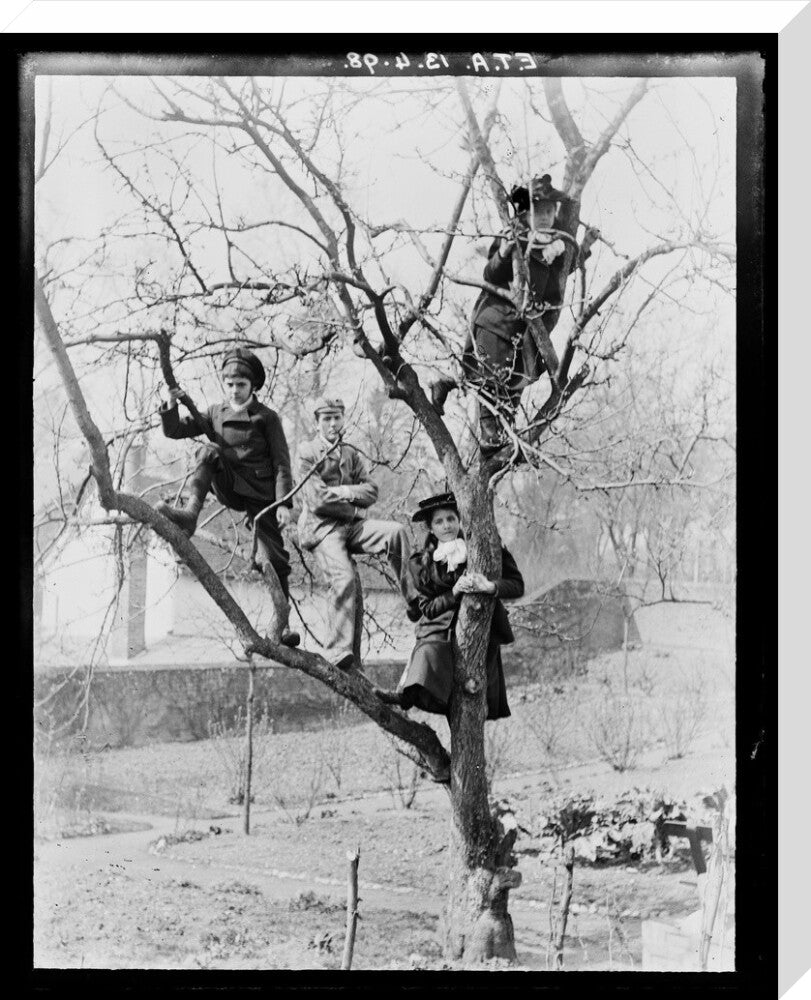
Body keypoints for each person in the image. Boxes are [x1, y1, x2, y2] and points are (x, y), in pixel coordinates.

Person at [430, 174, 598, 452]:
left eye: (549, 211)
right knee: (489, 377)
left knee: (514, 378)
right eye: (538, 212)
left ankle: (495, 423)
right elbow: (492, 273)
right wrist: (506, 250)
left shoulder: (555, 243)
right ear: (526, 213)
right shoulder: (514, 235)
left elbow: (562, 272)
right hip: (499, 320)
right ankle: (489, 433)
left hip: (526, 329)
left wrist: (585, 248)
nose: (545, 217)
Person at [156, 346, 300, 647]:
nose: (234, 391)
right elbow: (175, 431)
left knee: (272, 558)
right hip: (231, 485)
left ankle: (283, 626)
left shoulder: (266, 417)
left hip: (261, 496)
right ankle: (190, 514)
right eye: (230, 385)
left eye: (241, 385)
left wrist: (284, 503)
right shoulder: (215, 412)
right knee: (208, 451)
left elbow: (282, 462)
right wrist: (171, 404)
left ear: (253, 386)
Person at [297, 396, 413, 672]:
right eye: (326, 418)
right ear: (317, 423)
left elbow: (372, 491)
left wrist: (345, 491)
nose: (333, 423)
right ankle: (337, 650)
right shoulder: (307, 452)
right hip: (322, 529)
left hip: (351, 527)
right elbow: (318, 501)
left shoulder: (349, 453)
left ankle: (415, 599)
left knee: (394, 532)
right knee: (344, 577)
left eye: (337, 417)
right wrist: (351, 505)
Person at [392, 491, 524, 720]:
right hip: (440, 632)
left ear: (459, 520)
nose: (446, 526)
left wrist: (490, 586)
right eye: (439, 521)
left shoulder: (485, 550)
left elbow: (517, 585)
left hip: (481, 631)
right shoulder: (422, 563)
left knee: (472, 697)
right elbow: (428, 608)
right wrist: (453, 593)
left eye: (451, 519)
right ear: (431, 528)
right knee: (428, 659)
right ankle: (408, 693)